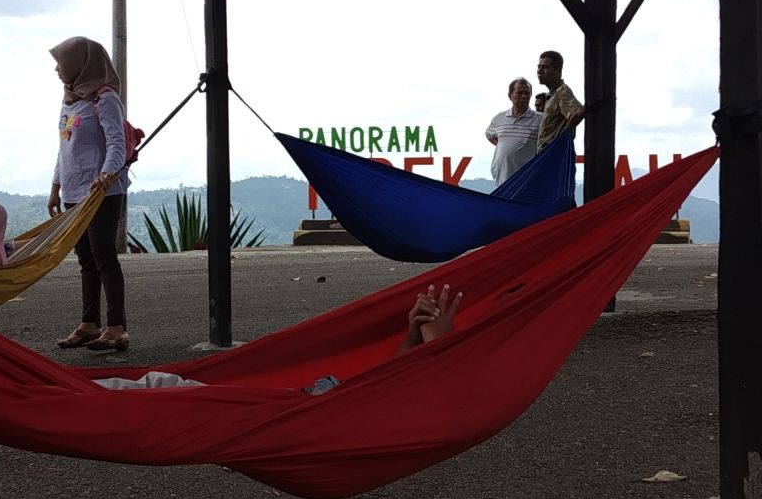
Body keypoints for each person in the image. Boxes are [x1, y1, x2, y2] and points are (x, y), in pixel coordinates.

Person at [93, 284, 464, 391]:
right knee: (157, 387)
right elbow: (384, 389)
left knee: (158, 388)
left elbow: (436, 406)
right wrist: (416, 341)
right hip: (289, 403)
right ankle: (47, 395)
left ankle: (46, 398)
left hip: (277, 414)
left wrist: (440, 347)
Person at [48, 36, 131, 352]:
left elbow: (116, 144)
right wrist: (55, 188)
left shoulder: (105, 98)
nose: (58, 69)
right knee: (85, 259)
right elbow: (63, 148)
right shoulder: (69, 101)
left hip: (101, 193)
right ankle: (89, 324)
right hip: (72, 192)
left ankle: (117, 328)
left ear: (81, 64)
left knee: (103, 256)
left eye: (62, 63)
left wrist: (108, 174)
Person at [484, 77, 542, 187]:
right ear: (510, 95)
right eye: (520, 93)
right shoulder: (499, 118)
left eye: (527, 93)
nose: (524, 96)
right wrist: (505, 145)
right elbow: (489, 134)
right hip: (501, 179)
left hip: (525, 181)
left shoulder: (540, 120)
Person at [535, 50, 585, 151]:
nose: (539, 71)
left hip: (555, 157)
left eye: (545, 67)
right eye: (539, 66)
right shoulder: (552, 95)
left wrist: (559, 141)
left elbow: (578, 112)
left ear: (558, 70)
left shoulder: (561, 92)